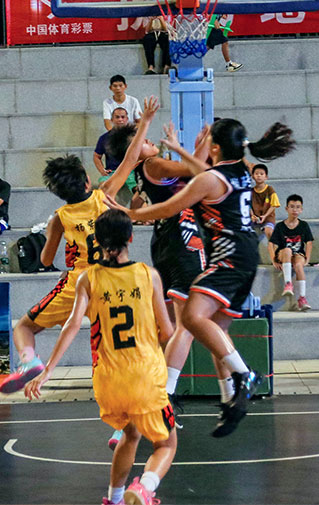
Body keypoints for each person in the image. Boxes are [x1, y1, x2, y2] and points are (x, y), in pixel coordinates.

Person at [117, 117, 295, 436]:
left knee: (191, 319)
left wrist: (129, 213)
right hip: (243, 254)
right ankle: (230, 397)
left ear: (215, 148)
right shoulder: (240, 170)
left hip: (221, 252)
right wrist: (182, 149)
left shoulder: (205, 178)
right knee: (215, 330)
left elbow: (173, 202)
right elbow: (198, 171)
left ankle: (237, 377)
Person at [0, 96, 160, 397]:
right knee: (112, 344)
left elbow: (46, 259)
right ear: (88, 180)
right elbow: (129, 160)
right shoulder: (104, 194)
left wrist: (61, 254)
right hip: (113, 280)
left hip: (78, 283)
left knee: (24, 327)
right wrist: (145, 123)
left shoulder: (59, 217)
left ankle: (29, 362)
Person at [24, 209, 177, 505]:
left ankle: (114, 499)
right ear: (131, 238)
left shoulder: (88, 278)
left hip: (108, 380)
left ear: (98, 240)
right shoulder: (148, 275)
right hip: (144, 375)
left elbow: (71, 326)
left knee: (130, 434)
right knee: (166, 445)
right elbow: (168, 331)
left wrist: (48, 370)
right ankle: (144, 488)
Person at [106, 118, 212, 428]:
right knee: (187, 324)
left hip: (164, 242)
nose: (151, 142)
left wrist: (196, 148)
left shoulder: (142, 172)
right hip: (181, 238)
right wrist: (202, 145)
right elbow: (197, 171)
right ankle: (163, 397)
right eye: (145, 140)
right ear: (136, 149)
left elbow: (192, 173)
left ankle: (153, 387)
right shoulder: (152, 164)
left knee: (172, 328)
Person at [269, 194, 315, 311]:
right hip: (284, 254)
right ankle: (288, 283)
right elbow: (271, 244)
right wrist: (273, 260)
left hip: (298, 254)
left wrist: (307, 259)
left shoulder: (303, 225)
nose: (295, 210)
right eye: (292, 207)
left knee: (299, 265)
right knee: (288, 250)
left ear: (301, 209)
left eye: (298, 207)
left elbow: (309, 243)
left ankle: (302, 298)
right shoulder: (280, 226)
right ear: (287, 208)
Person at [93, 108, 140, 205]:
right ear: (112, 120)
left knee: (139, 191)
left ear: (127, 119)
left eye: (123, 117)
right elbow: (96, 156)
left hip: (130, 171)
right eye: (117, 117)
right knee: (102, 187)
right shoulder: (104, 138)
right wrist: (102, 170)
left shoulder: (134, 137)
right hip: (112, 173)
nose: (120, 120)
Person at [250, 163, 280, 239]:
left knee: (269, 231)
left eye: (261, 174)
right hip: (254, 219)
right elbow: (248, 205)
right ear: (252, 176)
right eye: (256, 174)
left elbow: (274, 205)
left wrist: (265, 216)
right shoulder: (250, 191)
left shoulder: (270, 190)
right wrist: (252, 215)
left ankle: (273, 246)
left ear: (266, 177)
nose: (259, 176)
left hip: (268, 219)